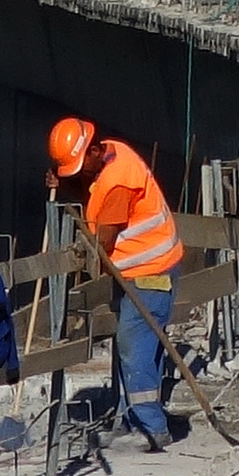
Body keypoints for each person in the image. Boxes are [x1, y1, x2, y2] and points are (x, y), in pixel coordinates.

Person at [48, 114, 186, 447]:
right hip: (144, 268)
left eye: (80, 165)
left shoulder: (118, 183)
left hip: (151, 271)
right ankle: (133, 418)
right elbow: (92, 191)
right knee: (141, 347)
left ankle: (153, 428)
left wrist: (78, 250)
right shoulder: (113, 152)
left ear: (93, 151)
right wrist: (64, 184)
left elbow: (104, 242)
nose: (80, 172)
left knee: (133, 347)